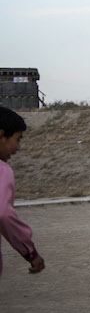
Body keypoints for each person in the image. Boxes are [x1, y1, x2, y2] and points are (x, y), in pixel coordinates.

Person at [0, 107, 45, 278]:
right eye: (17, 140)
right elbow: (3, 214)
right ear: (2, 135)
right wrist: (30, 252)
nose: (18, 148)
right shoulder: (2, 170)